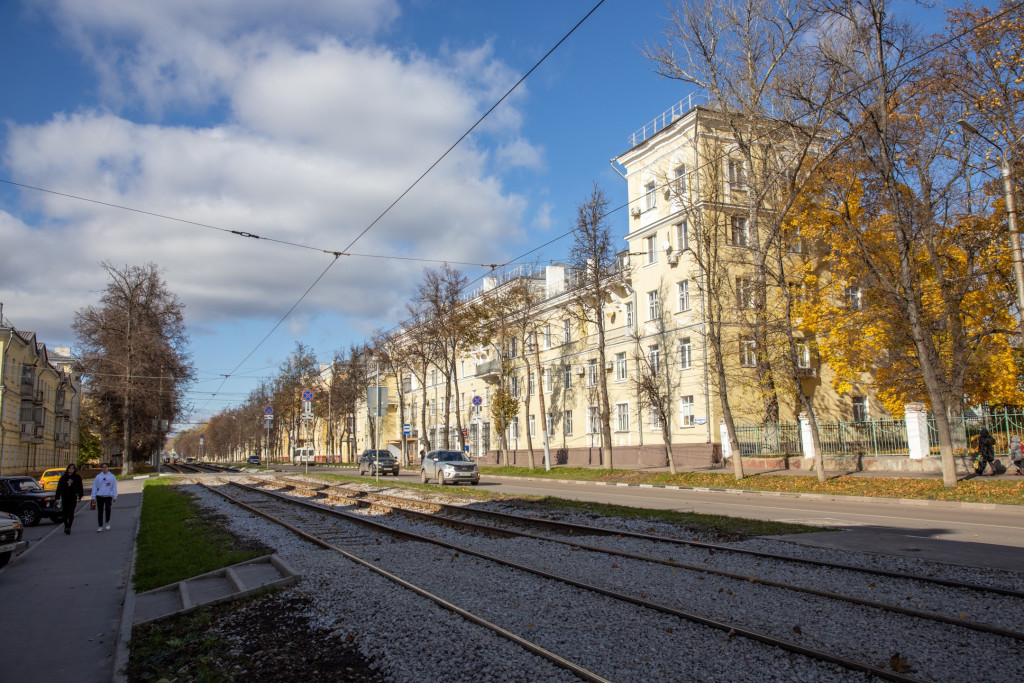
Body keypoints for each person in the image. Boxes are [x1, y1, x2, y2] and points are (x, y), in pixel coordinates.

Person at [54, 464, 84, 535]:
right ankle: (66, 525)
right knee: (64, 514)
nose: (71, 469)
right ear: (67, 469)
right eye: (70, 468)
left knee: (71, 513)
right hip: (65, 497)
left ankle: (69, 527)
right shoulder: (63, 478)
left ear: (74, 469)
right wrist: (57, 497)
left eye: (73, 468)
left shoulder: (77, 477)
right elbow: (59, 488)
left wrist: (80, 496)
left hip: (73, 497)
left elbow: (80, 487)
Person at [91, 462, 118, 532]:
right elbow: (94, 487)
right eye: (103, 467)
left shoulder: (112, 476)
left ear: (108, 468)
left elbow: (114, 487)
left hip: (108, 495)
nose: (104, 468)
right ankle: (100, 526)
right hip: (100, 496)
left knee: (108, 509)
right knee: (100, 511)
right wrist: (93, 497)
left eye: (106, 467)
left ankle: (107, 522)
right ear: (101, 468)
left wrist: (115, 496)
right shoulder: (98, 477)